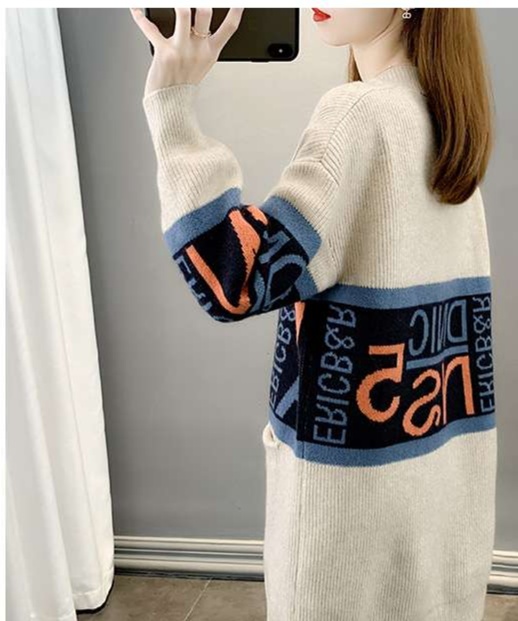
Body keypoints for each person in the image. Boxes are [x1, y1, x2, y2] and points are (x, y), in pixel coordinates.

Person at [131, 7, 497, 620]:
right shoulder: (445, 119)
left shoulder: (357, 114)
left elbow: (233, 279)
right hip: (436, 501)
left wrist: (172, 103)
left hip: (344, 525)